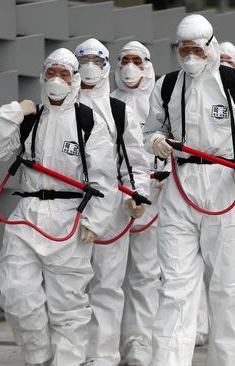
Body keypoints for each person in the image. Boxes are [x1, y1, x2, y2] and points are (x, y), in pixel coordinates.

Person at [143, 14, 235, 365]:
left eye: (196, 48)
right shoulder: (166, 85)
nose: (189, 56)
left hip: (224, 187)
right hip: (180, 188)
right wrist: (154, 140)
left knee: (228, 288)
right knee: (174, 287)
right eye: (183, 49)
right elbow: (151, 127)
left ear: (211, 45)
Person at [0, 48, 116, 365]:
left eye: (64, 74)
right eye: (51, 72)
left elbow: (103, 176)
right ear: (42, 76)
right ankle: (38, 357)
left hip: (69, 220)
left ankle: (68, 360)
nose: (56, 79)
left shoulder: (88, 123)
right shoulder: (30, 119)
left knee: (67, 304)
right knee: (16, 294)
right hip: (26, 216)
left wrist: (94, 221)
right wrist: (15, 111)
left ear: (75, 80)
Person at [74, 38, 150, 366]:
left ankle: (103, 354)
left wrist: (137, 195)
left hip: (110, 207)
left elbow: (134, 158)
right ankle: (70, 350)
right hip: (68, 205)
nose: (89, 65)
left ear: (106, 65)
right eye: (83, 59)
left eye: (96, 59)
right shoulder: (60, 103)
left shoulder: (118, 110)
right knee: (70, 282)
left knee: (106, 282)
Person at [110, 41, 162, 366]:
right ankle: (106, 343)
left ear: (147, 64)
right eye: (125, 60)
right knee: (108, 275)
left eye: (137, 60)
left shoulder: (158, 101)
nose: (130, 66)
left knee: (145, 273)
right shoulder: (108, 100)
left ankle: (140, 343)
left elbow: (174, 139)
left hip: (152, 195)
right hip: (115, 195)